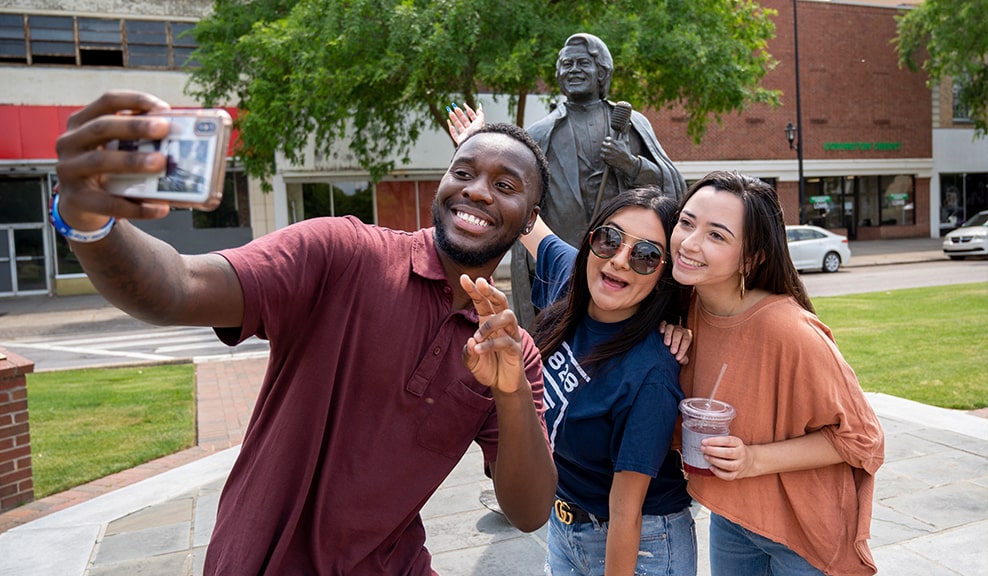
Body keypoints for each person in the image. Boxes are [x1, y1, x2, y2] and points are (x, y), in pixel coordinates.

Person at [52, 90, 557, 575]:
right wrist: (89, 219)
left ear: (530, 218)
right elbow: (178, 287)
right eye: (462, 172)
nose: (475, 190)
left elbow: (530, 511)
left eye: (505, 185)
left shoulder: (513, 352)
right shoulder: (341, 253)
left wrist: (508, 391)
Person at [669, 170, 885, 575]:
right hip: (734, 514)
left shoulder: (789, 331)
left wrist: (752, 459)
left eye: (717, 235)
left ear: (750, 258)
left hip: (804, 532)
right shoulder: (684, 308)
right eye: (686, 222)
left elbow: (864, 440)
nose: (690, 242)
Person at [519, 187, 696, 575]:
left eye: (646, 256)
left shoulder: (650, 373)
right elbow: (529, 225)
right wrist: (482, 143)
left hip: (640, 543)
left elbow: (626, 509)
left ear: (664, 274)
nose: (618, 261)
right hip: (564, 524)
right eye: (609, 239)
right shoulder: (575, 286)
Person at [511, 32, 686, 328]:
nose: (573, 70)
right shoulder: (541, 134)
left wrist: (630, 164)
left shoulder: (632, 125)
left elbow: (672, 187)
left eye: (582, 63)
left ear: (602, 72)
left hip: (625, 269)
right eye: (566, 65)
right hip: (562, 275)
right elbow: (525, 208)